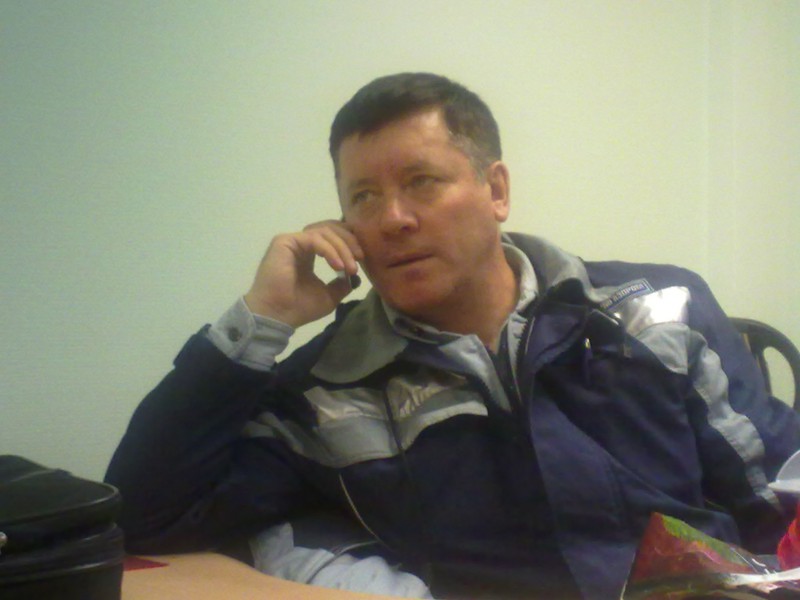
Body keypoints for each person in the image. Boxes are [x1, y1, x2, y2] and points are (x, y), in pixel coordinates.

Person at [105, 72, 800, 599]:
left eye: (421, 182)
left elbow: (776, 488)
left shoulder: (657, 310)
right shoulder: (327, 390)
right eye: (363, 197)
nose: (393, 219)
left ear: (496, 191)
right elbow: (145, 517)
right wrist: (262, 320)